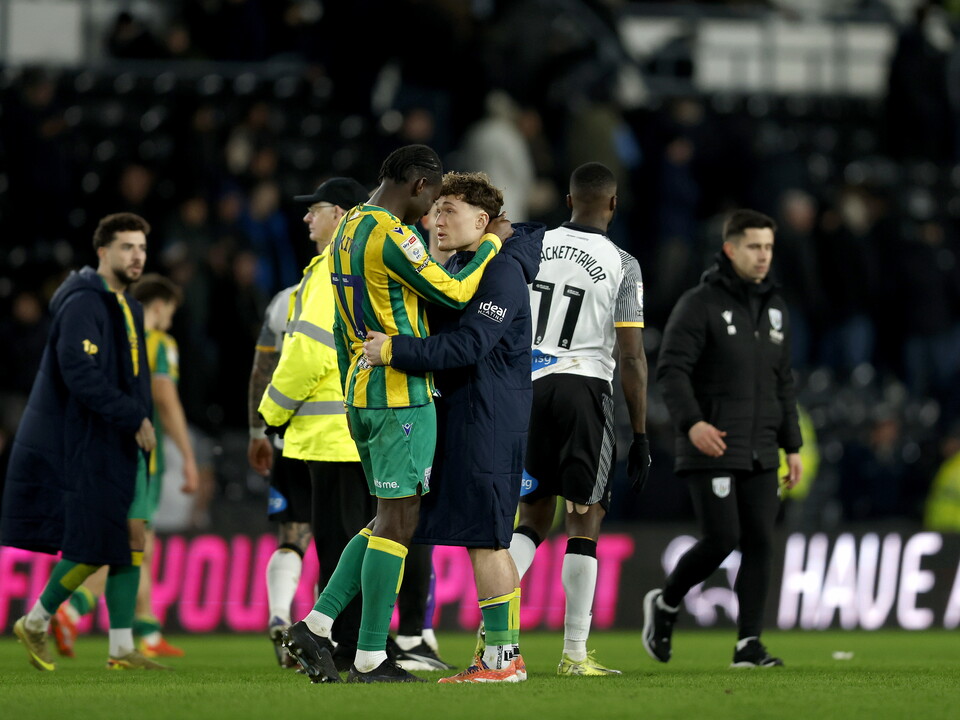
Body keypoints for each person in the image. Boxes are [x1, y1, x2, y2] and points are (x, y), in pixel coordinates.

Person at [254, 177, 450, 673]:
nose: (305, 218)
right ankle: (362, 646)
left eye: (313, 209)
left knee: (374, 528)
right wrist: (491, 246)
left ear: (339, 214)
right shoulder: (340, 264)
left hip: (336, 427)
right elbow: (316, 351)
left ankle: (332, 633)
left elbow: (334, 344)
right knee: (393, 525)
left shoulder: (328, 267)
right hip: (358, 422)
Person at [363, 171, 544, 682]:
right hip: (467, 414)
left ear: (482, 221)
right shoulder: (466, 266)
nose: (435, 219)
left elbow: (471, 346)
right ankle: (497, 656)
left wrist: (394, 351)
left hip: (487, 418)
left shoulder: (503, 271)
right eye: (435, 209)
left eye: (449, 211)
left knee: (488, 538)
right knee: (479, 535)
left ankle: (503, 659)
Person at [1, 212, 168, 670]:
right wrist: (134, 415)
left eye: (141, 248)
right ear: (102, 252)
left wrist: (140, 423)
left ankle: (120, 648)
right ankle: (35, 620)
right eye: (126, 247)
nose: (136, 256)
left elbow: (131, 381)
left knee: (130, 539)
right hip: (91, 440)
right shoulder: (82, 304)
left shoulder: (130, 308)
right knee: (97, 541)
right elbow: (79, 374)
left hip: (127, 441)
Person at [503, 162, 650, 676]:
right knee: (584, 519)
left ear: (567, 199)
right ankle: (574, 653)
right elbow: (631, 357)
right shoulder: (623, 264)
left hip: (525, 388)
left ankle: (495, 636)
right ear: (613, 203)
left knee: (531, 519)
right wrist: (642, 433)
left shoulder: (531, 246)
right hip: (583, 388)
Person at [642, 209, 802, 668]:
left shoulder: (775, 308)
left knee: (760, 542)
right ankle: (667, 602)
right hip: (711, 442)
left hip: (762, 446)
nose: (763, 256)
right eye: (754, 246)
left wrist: (792, 446)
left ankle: (748, 645)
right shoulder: (700, 303)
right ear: (730, 249)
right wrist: (691, 423)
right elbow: (672, 370)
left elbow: (783, 382)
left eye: (768, 247)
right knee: (722, 538)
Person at [48, 274, 200, 660]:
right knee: (125, 546)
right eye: (170, 311)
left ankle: (147, 630)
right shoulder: (160, 343)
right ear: (160, 305)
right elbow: (166, 399)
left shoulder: (110, 339)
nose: (170, 319)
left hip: (101, 450)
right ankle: (73, 608)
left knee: (140, 547)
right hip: (142, 457)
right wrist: (188, 456)